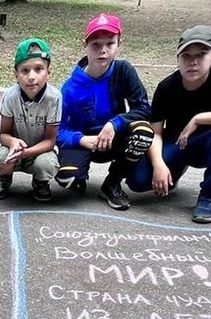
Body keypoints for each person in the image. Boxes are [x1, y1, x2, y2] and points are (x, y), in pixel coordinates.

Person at [124, 24, 211, 222]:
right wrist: (159, 165)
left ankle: (209, 196)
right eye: (186, 56)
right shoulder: (167, 87)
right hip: (177, 144)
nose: (192, 62)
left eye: (201, 55)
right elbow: (155, 132)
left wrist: (199, 118)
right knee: (138, 181)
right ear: (177, 58)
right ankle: (175, 170)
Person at [56, 13, 152, 201]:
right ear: (85, 45)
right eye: (96, 44)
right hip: (85, 143)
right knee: (67, 179)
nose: (103, 50)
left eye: (110, 44)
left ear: (119, 43)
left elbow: (143, 109)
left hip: (113, 138)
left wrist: (114, 124)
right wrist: (81, 140)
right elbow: (58, 131)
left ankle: (112, 183)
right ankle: (79, 175)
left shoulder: (123, 70)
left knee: (143, 131)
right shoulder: (70, 88)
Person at [0, 38, 60, 202]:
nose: (31, 77)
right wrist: (13, 142)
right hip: (14, 150)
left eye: (39, 69)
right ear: (16, 74)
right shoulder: (10, 96)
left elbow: (50, 141)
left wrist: (27, 153)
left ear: (48, 72)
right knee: (1, 157)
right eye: (25, 70)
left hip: (40, 151)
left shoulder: (54, 98)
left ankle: (40, 182)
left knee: (47, 163)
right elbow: (3, 135)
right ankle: (3, 178)